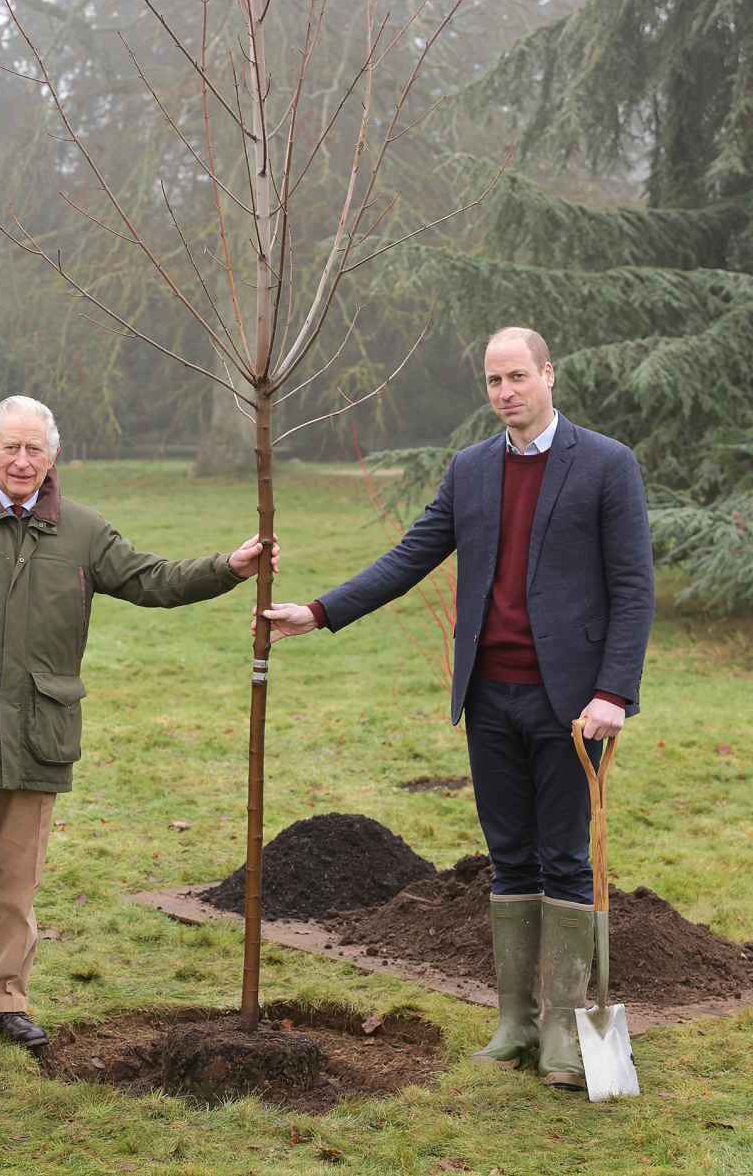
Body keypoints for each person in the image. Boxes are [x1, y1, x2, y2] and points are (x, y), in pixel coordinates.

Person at [262, 327, 654, 1090]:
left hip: (573, 705)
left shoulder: (607, 465)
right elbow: (411, 556)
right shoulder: (472, 470)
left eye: (517, 376)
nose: (505, 391)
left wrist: (614, 693)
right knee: (508, 855)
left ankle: (566, 1032)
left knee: (566, 856)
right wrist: (320, 610)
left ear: (548, 372)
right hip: (488, 695)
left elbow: (634, 589)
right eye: (492, 380)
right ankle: (514, 1021)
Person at [0, 394, 278, 1064]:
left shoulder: (83, 532)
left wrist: (228, 568)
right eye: (10, 446)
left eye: (35, 448)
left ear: (53, 456)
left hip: (40, 732)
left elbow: (153, 578)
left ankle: (4, 998)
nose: (22, 459)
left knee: (17, 878)